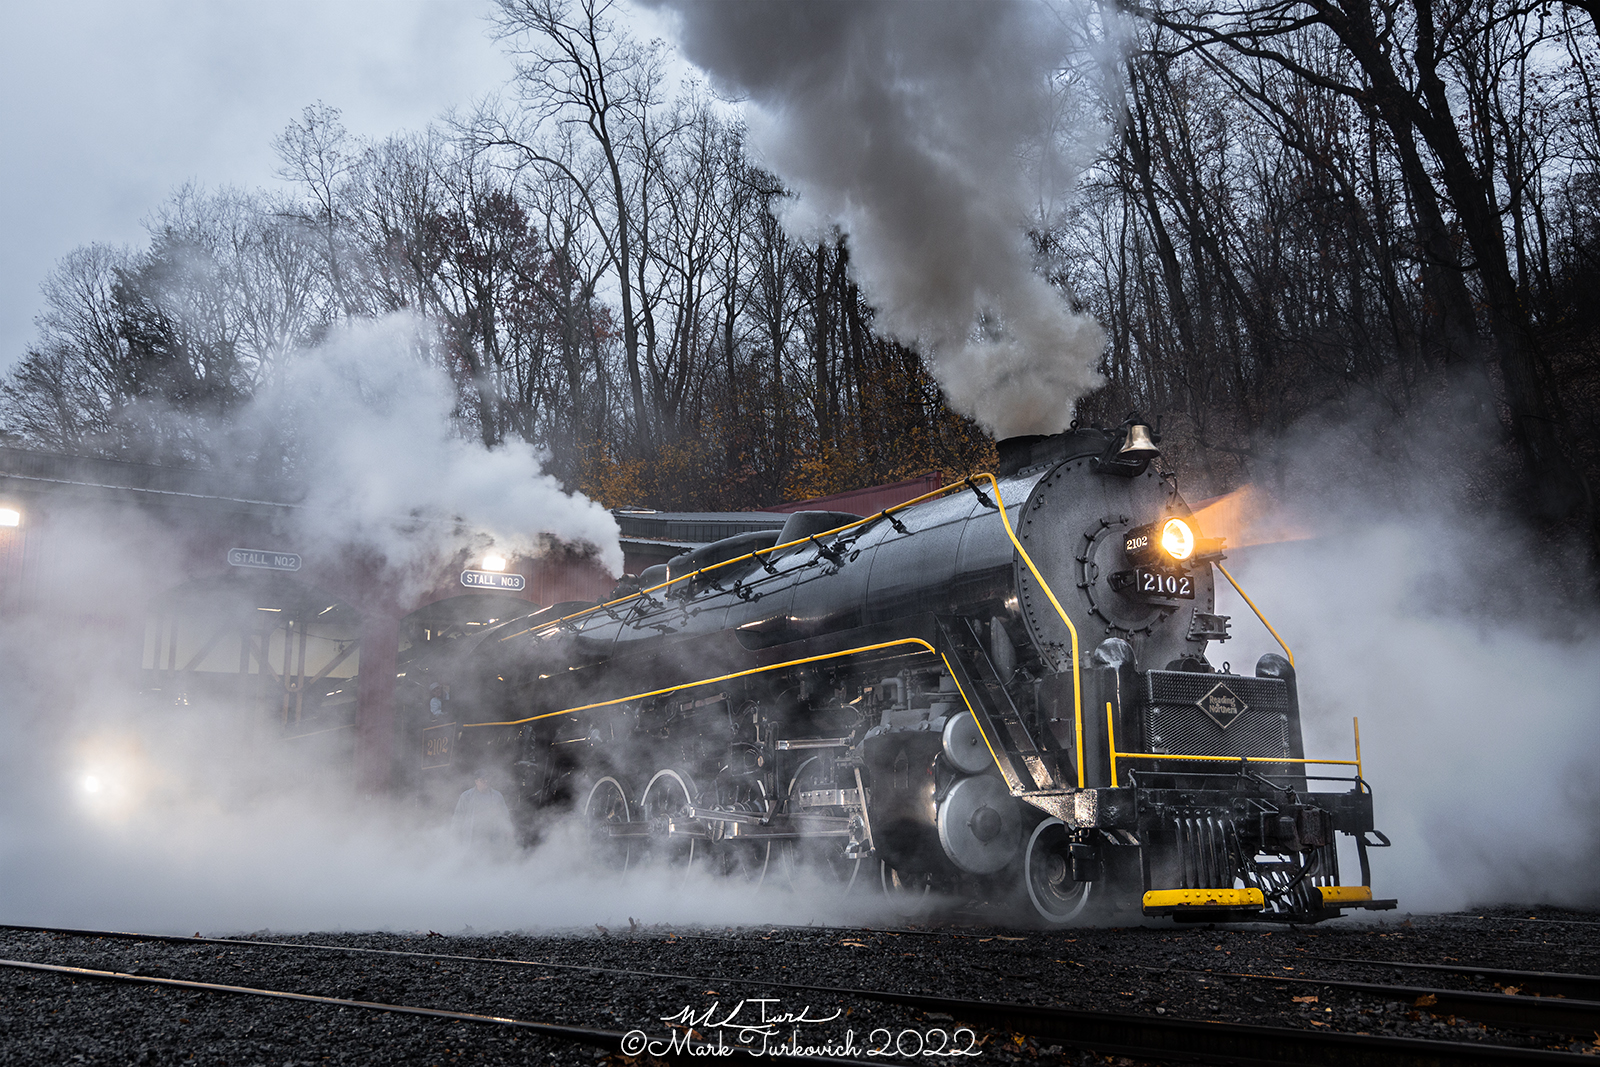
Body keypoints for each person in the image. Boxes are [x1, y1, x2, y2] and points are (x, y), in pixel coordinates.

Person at [452, 772, 514, 852]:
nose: (486, 782)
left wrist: (509, 832)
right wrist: (455, 835)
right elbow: (458, 816)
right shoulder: (466, 796)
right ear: (476, 781)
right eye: (482, 780)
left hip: (491, 837)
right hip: (471, 836)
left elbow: (505, 816)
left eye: (487, 779)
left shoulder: (497, 796)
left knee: (490, 859)